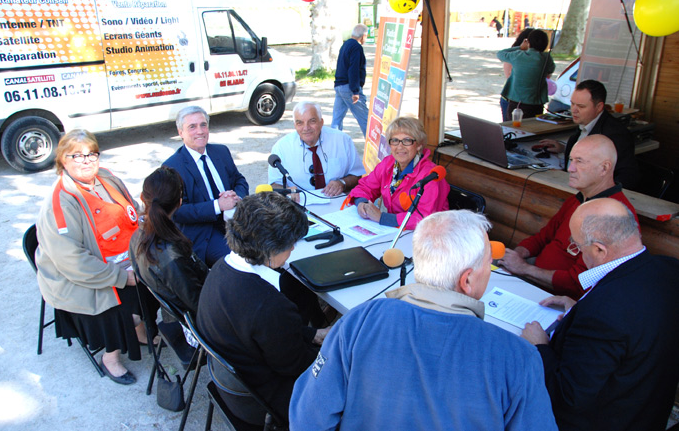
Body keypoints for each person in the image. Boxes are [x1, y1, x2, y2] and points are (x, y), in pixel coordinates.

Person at [289, 210, 558, 430]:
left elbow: (307, 419)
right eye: (488, 264)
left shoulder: (360, 320)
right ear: (467, 280)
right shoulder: (519, 357)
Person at [521, 198, 679, 431]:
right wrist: (578, 308)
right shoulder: (670, 269)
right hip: (649, 412)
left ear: (599, 250)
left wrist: (539, 347)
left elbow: (567, 396)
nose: (576, 251)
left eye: (576, 245)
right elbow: (635, 328)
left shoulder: (602, 313)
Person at [36, 129, 157, 385]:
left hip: (123, 259)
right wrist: (122, 277)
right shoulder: (60, 203)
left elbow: (131, 209)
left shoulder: (106, 177)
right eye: (77, 156)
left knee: (159, 275)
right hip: (82, 277)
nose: (87, 161)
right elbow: (73, 262)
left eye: (92, 154)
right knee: (121, 304)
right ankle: (110, 357)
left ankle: (140, 332)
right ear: (63, 159)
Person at [196, 192, 331, 423]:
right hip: (263, 403)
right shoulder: (270, 305)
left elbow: (264, 333)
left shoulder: (219, 269)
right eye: (290, 244)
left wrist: (312, 334)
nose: (293, 249)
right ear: (270, 249)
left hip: (234, 384)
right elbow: (296, 366)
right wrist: (335, 351)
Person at [499, 135, 638, 299]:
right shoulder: (578, 199)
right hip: (534, 275)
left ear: (604, 168)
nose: (570, 168)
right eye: (571, 160)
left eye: (580, 161)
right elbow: (543, 237)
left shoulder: (614, 216)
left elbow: (578, 283)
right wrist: (516, 255)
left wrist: (524, 269)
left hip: (559, 297)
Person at [163, 106, 249, 267]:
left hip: (234, 219)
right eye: (192, 127)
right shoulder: (172, 167)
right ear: (181, 132)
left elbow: (239, 180)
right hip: (203, 231)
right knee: (237, 262)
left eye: (203, 125)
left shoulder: (221, 151)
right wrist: (218, 205)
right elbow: (177, 212)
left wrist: (236, 196)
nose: (200, 131)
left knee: (269, 244)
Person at [129, 166, 207, 317]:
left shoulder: (136, 236)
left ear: (142, 197)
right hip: (199, 317)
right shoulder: (170, 256)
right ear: (179, 202)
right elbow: (198, 303)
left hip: (179, 307)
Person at [533, 80, 639, 189]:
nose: (573, 110)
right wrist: (564, 148)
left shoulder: (615, 135)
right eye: (572, 104)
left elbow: (625, 177)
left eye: (581, 106)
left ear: (599, 107)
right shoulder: (586, 121)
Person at [349, 116, 449, 230]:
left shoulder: (431, 176)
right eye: (395, 140)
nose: (400, 146)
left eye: (407, 140)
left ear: (419, 145)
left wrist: (383, 218)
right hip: (395, 230)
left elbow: (425, 218)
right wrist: (362, 203)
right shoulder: (388, 164)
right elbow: (365, 187)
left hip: (430, 233)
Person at [269, 101, 364, 196]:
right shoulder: (281, 147)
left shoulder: (343, 140)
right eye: (300, 123)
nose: (306, 128)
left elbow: (357, 175)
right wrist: (287, 191)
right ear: (295, 125)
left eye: (312, 121)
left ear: (321, 122)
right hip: (297, 203)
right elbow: (274, 185)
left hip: (336, 200)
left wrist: (342, 183)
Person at [496, 28, 555, 120]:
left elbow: (500, 54)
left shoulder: (518, 55)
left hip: (516, 103)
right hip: (536, 104)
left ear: (528, 42)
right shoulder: (547, 58)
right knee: (533, 126)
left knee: (512, 126)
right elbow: (551, 70)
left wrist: (520, 47)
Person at [332, 24, 369, 137]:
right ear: (363, 36)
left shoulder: (346, 44)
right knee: (365, 118)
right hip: (349, 87)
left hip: (339, 85)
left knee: (337, 120)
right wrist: (355, 91)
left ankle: (333, 143)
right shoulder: (356, 47)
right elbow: (354, 69)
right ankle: (374, 144)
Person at [500, 27, 534, 120]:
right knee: (509, 126)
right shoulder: (514, 55)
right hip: (511, 99)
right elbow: (509, 75)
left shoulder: (537, 57)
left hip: (529, 101)